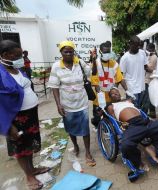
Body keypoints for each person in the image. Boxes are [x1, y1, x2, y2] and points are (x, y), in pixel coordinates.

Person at [0, 40, 45, 190]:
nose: (22, 58)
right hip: (15, 118)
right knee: (20, 148)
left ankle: (32, 169)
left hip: (30, 114)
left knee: (29, 144)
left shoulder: (17, 69)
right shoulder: (1, 73)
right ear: (5, 55)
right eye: (18, 55)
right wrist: (8, 126)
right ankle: (29, 176)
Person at [106, 88, 158, 169]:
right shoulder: (111, 106)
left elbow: (138, 109)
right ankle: (138, 160)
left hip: (145, 122)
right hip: (132, 125)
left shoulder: (128, 101)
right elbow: (114, 120)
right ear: (110, 97)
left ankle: (154, 147)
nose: (116, 94)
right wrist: (122, 125)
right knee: (125, 146)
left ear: (120, 93)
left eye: (117, 92)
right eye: (113, 94)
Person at [48, 41, 96, 167]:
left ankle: (88, 153)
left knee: (85, 129)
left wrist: (94, 59)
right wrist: (58, 105)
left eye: (71, 51)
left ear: (74, 52)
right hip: (67, 104)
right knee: (71, 128)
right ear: (61, 52)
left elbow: (92, 72)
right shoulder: (56, 66)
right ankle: (75, 147)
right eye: (66, 51)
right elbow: (54, 86)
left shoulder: (79, 62)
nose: (69, 54)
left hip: (82, 102)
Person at [90, 42, 129, 129]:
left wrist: (127, 90)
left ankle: (107, 130)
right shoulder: (96, 63)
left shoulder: (114, 63)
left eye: (108, 52)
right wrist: (100, 96)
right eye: (105, 52)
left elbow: (120, 78)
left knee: (109, 115)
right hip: (99, 96)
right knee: (98, 116)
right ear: (100, 52)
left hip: (111, 96)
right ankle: (97, 126)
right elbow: (95, 80)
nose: (107, 54)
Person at [120, 36, 151, 108]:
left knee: (141, 108)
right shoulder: (125, 58)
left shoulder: (142, 53)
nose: (138, 47)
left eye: (139, 45)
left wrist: (154, 71)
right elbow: (120, 75)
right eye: (136, 45)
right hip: (132, 89)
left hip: (142, 87)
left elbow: (145, 66)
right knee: (133, 109)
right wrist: (126, 90)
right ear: (130, 44)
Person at [143, 43, 157, 117]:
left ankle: (147, 113)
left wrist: (144, 65)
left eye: (148, 49)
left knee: (147, 98)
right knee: (149, 97)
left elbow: (150, 69)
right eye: (147, 49)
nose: (147, 50)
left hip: (149, 80)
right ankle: (152, 113)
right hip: (146, 79)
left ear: (153, 49)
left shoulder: (154, 57)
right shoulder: (149, 56)